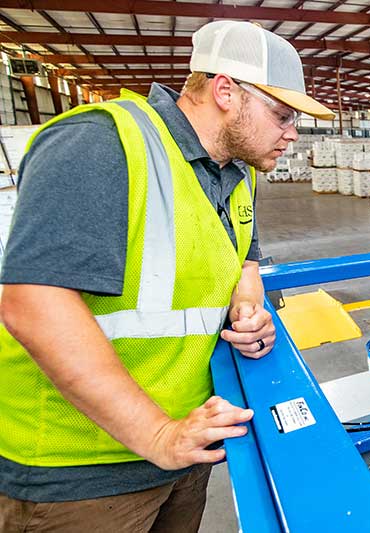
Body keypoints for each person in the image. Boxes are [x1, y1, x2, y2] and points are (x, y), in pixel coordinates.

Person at [0, 20, 333, 532]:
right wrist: (157, 433)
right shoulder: (101, 144)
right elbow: (32, 304)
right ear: (226, 91)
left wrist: (250, 312)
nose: (292, 134)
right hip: (81, 474)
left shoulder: (235, 175)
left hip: (182, 446)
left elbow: (245, 263)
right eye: (282, 115)